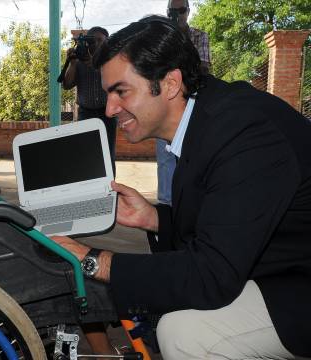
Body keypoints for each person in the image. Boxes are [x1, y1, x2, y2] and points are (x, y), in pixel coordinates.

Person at [52, 16, 311, 359]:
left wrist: (93, 260)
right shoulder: (204, 119)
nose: (110, 108)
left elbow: (210, 275)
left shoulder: (243, 131)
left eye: (120, 92)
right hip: (277, 264)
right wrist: (157, 219)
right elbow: (228, 221)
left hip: (298, 281)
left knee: (184, 334)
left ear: (170, 83)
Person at [157, 0, 212, 205]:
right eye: (173, 11)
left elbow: (204, 69)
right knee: (165, 161)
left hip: (193, 104)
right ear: (167, 11)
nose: (177, 14)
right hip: (166, 105)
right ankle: (165, 208)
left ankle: (189, 206)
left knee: (192, 157)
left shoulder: (199, 35)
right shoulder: (162, 37)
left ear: (188, 12)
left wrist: (182, 41)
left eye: (181, 10)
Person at [62, 26, 117, 176]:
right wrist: (72, 63)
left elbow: (114, 82)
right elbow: (66, 85)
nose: (97, 44)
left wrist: (95, 64)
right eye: (93, 41)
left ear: (107, 41)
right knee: (86, 154)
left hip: (107, 114)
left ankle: (110, 190)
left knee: (108, 154)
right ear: (87, 43)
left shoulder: (112, 61)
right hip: (85, 113)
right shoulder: (79, 60)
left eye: (101, 40)